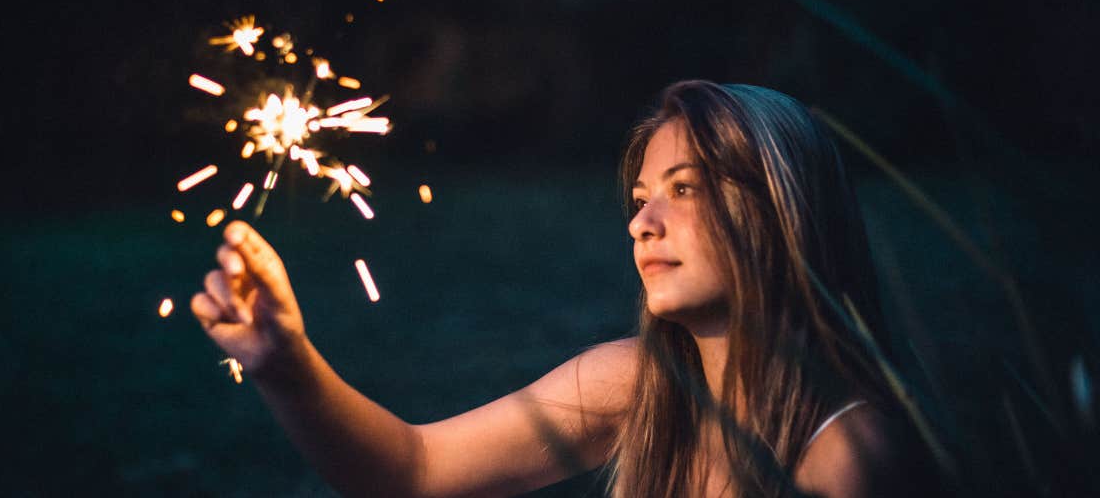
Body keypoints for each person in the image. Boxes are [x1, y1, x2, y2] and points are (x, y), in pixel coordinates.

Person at [191, 80, 939, 497]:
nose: (642, 222)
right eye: (640, 196)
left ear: (777, 206)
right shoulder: (639, 385)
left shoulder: (847, 454)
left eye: (684, 188)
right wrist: (286, 366)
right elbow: (411, 471)